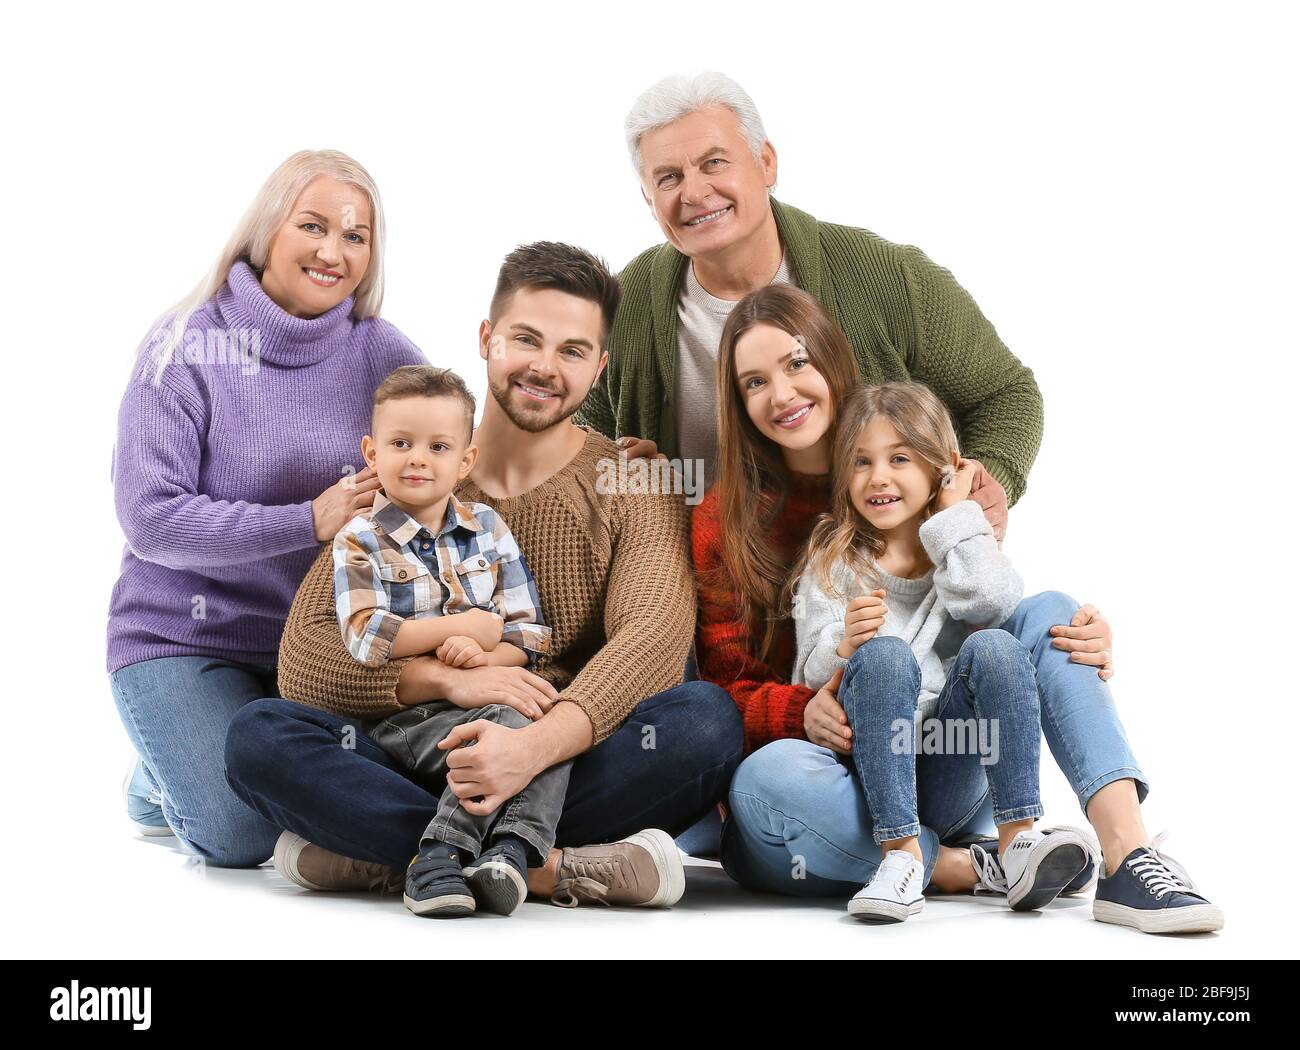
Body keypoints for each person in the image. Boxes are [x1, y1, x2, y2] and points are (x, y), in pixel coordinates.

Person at [225, 242, 743, 908]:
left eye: (573, 351)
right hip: (416, 750)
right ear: (486, 338)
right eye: (526, 339)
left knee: (705, 722)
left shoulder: (633, 479)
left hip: (562, 757)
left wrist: (529, 751)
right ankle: (543, 866)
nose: (545, 367)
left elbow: (652, 640)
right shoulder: (414, 469)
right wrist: (445, 679)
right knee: (258, 737)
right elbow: (305, 655)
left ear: (599, 368)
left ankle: (401, 857)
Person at [696, 284, 1222, 934]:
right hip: (833, 763)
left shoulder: (943, 497)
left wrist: (961, 519)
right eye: (753, 381)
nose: (781, 394)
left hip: (950, 752)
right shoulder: (739, 521)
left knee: (1053, 609)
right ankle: (956, 865)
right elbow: (718, 700)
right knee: (769, 780)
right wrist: (807, 706)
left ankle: (1126, 855)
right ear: (737, 400)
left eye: (797, 363)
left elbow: (990, 609)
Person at [107, 149, 426, 866]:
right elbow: (150, 517)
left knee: (396, 783)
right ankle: (157, 778)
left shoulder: (381, 352)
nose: (332, 251)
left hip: (316, 648)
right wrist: (303, 521)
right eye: (312, 225)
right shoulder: (187, 344)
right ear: (266, 231)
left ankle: (185, 757)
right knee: (241, 832)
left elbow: (462, 451)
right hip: (187, 638)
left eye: (355, 235)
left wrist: (606, 454)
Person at [578, 70, 1040, 547]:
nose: (693, 193)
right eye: (669, 178)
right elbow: (572, 449)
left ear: (766, 163)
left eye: (714, 163)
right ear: (648, 199)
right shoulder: (621, 306)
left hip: (878, 577)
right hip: (711, 584)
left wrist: (987, 487)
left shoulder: (883, 274)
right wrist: (645, 483)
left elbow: (1007, 395)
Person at [792, 381, 1092, 922]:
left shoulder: (960, 547)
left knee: (997, 646)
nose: (878, 476)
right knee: (884, 655)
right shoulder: (833, 559)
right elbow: (807, 672)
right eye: (861, 462)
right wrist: (843, 648)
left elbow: (998, 603)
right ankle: (900, 857)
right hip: (873, 771)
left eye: (899, 458)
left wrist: (956, 518)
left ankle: (1017, 842)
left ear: (941, 469)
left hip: (950, 763)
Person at [332, 363, 566, 917]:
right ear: (371, 453)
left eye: (438, 446)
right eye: (401, 443)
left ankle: (505, 856)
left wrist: (487, 657)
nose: (418, 458)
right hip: (411, 721)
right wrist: (462, 632)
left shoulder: (488, 528)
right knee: (514, 725)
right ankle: (443, 850)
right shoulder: (359, 538)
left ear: (465, 460)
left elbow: (526, 634)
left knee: (552, 724)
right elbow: (366, 637)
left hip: (489, 700)